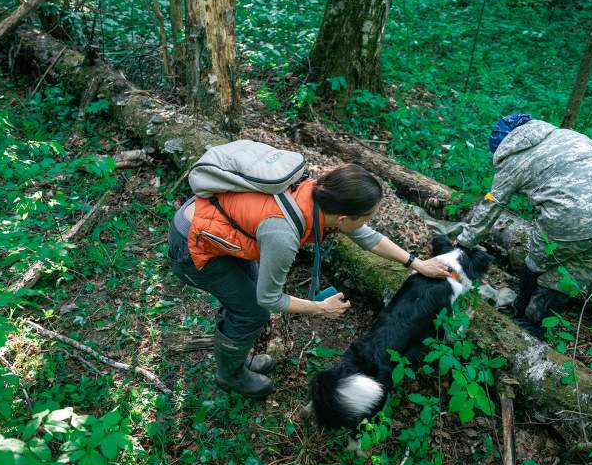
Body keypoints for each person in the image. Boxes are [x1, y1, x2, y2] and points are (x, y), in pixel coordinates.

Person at [166, 163, 451, 397]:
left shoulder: (317, 194)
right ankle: (230, 375)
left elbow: (368, 238)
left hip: (218, 227)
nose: (365, 224)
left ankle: (236, 356)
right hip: (193, 245)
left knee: (247, 299)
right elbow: (270, 298)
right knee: (253, 310)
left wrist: (417, 263)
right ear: (342, 218)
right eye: (364, 218)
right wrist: (320, 309)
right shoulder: (283, 234)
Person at [454, 114, 592, 336]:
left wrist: (464, 243)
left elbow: (492, 204)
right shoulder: (569, 136)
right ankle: (535, 327)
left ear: (501, 145)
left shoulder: (512, 159)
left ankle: (521, 313)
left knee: (536, 261)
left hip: (569, 215)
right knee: (572, 273)